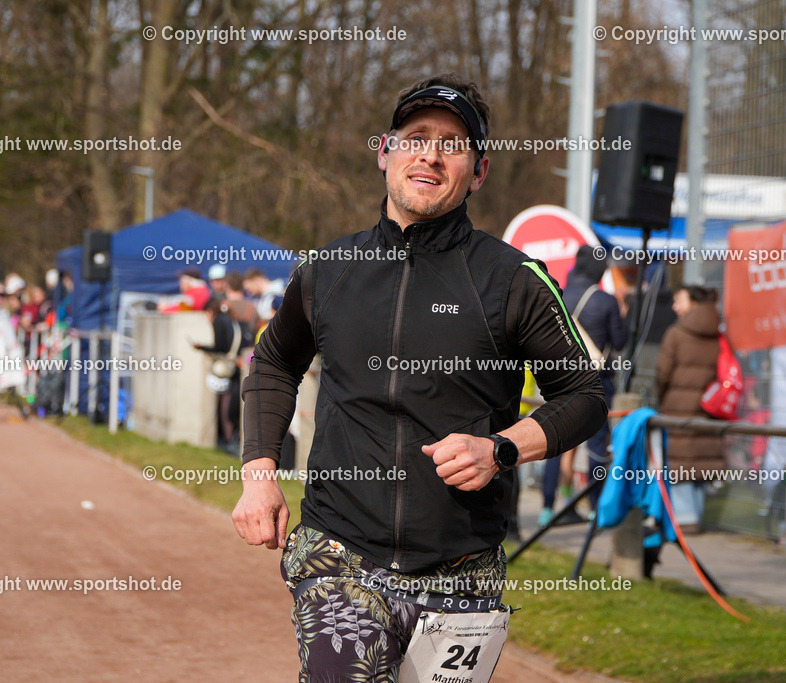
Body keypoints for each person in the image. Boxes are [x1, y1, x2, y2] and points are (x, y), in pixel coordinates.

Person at [232, 72, 607, 680]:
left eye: (453, 143)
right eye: (415, 137)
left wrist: (502, 449)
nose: (430, 153)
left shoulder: (514, 279)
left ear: (478, 171)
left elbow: (585, 395)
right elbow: (274, 361)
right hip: (340, 555)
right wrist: (258, 474)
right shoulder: (328, 270)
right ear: (385, 152)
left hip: (463, 568)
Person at [539, 246, 626, 525]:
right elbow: (621, 342)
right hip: (596, 382)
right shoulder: (605, 301)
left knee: (555, 439)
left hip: (559, 380)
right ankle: (594, 508)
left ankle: (548, 508)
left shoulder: (556, 294)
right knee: (597, 446)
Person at [655, 284, 724, 535]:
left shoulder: (677, 332)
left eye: (678, 300)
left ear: (694, 303)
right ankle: (698, 515)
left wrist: (663, 397)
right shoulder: (719, 333)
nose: (674, 306)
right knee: (701, 461)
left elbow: (662, 372)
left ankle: (686, 520)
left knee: (681, 462)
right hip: (709, 406)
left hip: (678, 407)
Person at [194, 298, 251, 453]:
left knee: (226, 407)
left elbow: (221, 347)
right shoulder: (232, 320)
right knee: (230, 406)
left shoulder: (218, 321)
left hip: (228, 368)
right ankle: (230, 440)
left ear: (210, 311)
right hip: (237, 367)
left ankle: (228, 441)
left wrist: (201, 347)